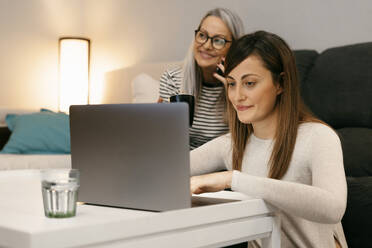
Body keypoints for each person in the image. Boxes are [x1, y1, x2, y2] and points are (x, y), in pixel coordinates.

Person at [190, 31, 348, 248]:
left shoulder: (318, 137)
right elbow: (168, 167)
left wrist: (233, 179)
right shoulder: (231, 144)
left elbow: (333, 207)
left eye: (250, 83)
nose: (237, 96)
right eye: (232, 84)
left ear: (280, 83)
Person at [158, 8, 244, 150]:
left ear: (234, 47)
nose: (207, 46)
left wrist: (233, 92)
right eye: (202, 35)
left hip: (226, 165)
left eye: (218, 40)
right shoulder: (172, 79)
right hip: (185, 163)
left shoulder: (243, 86)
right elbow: (169, 142)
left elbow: (245, 141)